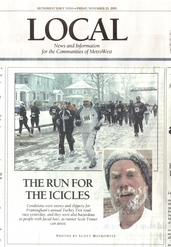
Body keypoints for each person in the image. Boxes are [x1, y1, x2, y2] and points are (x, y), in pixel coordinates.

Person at [103, 150, 154, 243]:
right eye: (116, 177)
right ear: (109, 187)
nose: (123, 183)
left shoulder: (161, 225)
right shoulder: (100, 228)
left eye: (131, 175)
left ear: (145, 183)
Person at [75, 95, 103, 168]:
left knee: (88, 146)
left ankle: (93, 159)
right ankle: (91, 159)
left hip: (92, 130)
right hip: (84, 130)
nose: (86, 103)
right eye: (84, 101)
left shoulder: (96, 109)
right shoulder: (80, 110)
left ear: (90, 101)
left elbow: (102, 118)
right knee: (86, 148)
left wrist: (99, 125)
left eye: (87, 101)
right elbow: (76, 119)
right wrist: (77, 123)